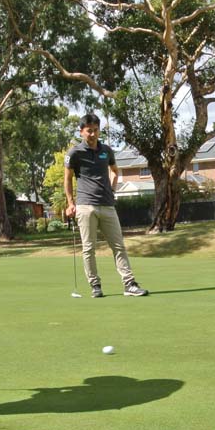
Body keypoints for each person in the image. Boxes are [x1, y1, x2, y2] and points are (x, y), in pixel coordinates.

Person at [64, 113, 148, 298]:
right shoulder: (74, 153)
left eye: (96, 130)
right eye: (89, 131)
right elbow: (67, 179)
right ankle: (95, 285)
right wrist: (70, 203)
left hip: (108, 206)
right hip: (86, 206)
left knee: (119, 246)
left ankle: (129, 284)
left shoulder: (107, 151)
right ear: (81, 131)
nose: (93, 134)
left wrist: (112, 189)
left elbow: (115, 171)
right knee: (89, 249)